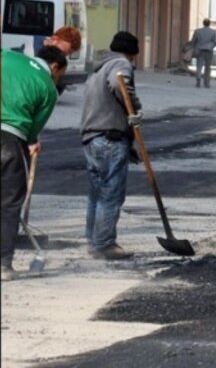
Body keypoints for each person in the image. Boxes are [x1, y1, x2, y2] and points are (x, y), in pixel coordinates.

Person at [0, 46, 67, 281]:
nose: (58, 80)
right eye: (60, 75)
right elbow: (34, 129)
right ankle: (3, 264)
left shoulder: (7, 56)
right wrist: (31, 142)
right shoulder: (48, 87)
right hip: (11, 140)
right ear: (55, 67)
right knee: (8, 203)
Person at [80, 31, 142, 260]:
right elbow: (120, 84)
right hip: (110, 138)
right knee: (111, 192)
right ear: (133, 53)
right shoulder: (120, 64)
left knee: (96, 192)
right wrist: (134, 109)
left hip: (92, 137)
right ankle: (104, 243)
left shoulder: (98, 69)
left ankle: (93, 240)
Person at [189, 18, 216, 88]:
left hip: (199, 51)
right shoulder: (212, 32)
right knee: (207, 68)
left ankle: (198, 79)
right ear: (209, 24)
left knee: (199, 66)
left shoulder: (197, 31)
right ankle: (206, 83)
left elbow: (193, 41)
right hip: (208, 51)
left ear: (203, 23)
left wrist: (190, 48)